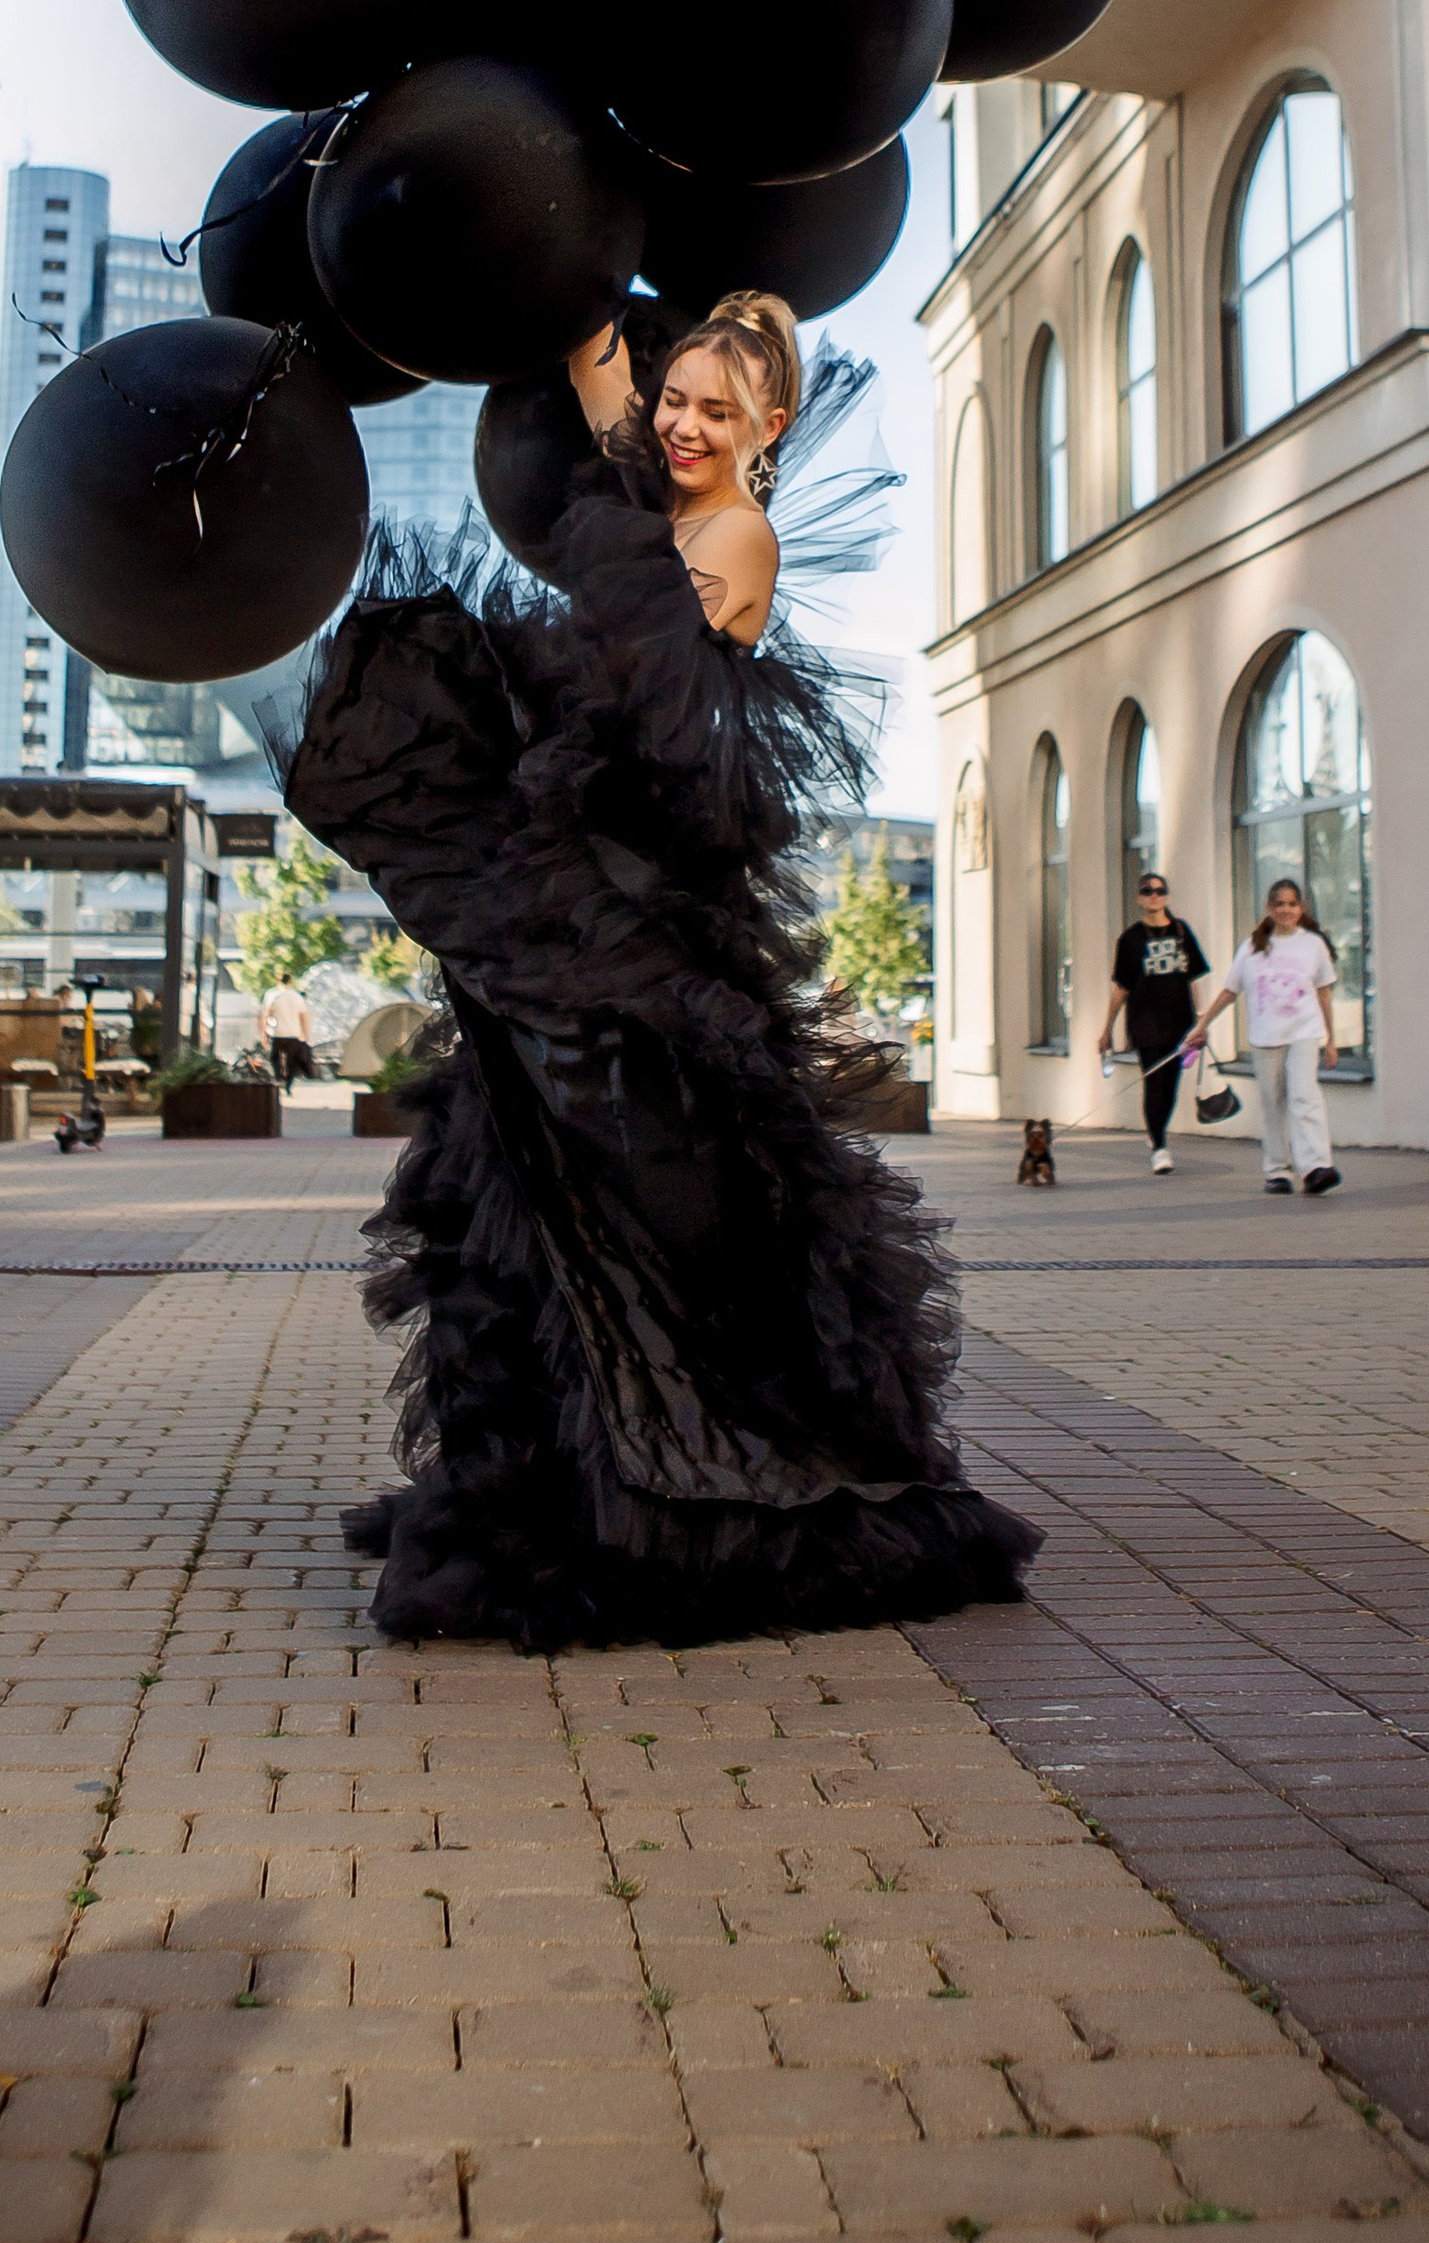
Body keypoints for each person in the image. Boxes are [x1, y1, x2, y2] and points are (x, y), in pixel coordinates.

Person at [269, 286, 1040, 1650]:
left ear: (771, 427)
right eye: (677, 401)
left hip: (638, 924)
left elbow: (652, 698)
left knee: (645, 1200)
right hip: (579, 900)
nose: (684, 424)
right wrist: (590, 344)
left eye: (717, 410)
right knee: (536, 1177)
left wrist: (629, 438)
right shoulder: (670, 499)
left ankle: (688, 1489)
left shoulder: (734, 532)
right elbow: (621, 440)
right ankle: (559, 1483)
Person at [1189, 877, 1341, 1195]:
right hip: (1266, 1038)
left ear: (1301, 908)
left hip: (1304, 1033)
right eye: (1280, 904)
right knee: (1272, 1103)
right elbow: (1230, 991)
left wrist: (1330, 1039)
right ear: (1269, 908)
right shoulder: (1252, 948)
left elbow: (1324, 993)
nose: (1286, 910)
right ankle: (1277, 1170)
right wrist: (1201, 1026)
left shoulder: (1313, 944)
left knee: (1305, 1097)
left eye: (1292, 904)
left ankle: (1316, 1167)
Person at [1096, 870, 1210, 1172]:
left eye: (1159, 891)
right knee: (1153, 1082)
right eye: (1147, 891)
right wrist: (1106, 1028)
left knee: (1170, 1085)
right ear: (1139, 898)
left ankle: (1156, 1132)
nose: (1154, 896)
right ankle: (1160, 1147)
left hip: (1179, 1020)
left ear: (1167, 896)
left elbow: (1194, 980)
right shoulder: (1130, 939)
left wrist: (1201, 1022)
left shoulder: (1182, 932)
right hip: (1145, 1022)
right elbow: (1121, 987)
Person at [262, 977, 314, 1092]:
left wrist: (264, 1034)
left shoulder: (274, 996)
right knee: (292, 1062)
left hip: (278, 1033)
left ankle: (278, 1077)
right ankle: (288, 1083)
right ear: (290, 982)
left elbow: (266, 1015)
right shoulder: (297, 997)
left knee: (275, 1058)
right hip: (294, 1034)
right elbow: (304, 1017)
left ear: (279, 982)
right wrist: (306, 1035)